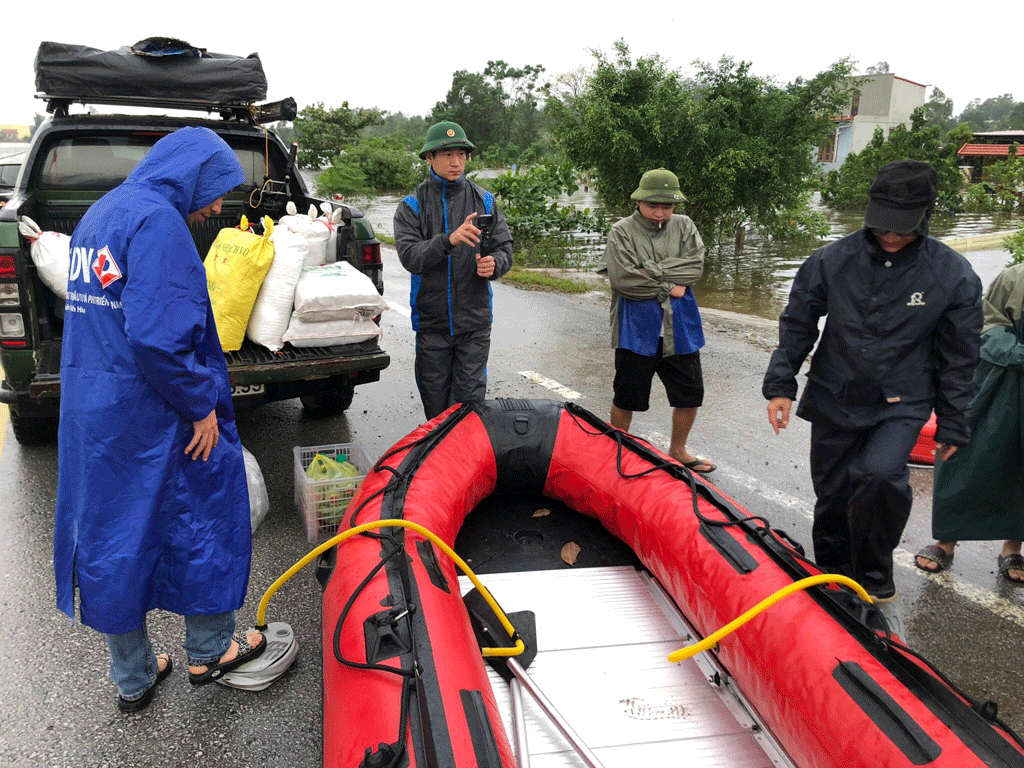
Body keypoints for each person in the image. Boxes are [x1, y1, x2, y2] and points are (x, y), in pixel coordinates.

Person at [54, 127, 265, 713]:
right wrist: (199, 405)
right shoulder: (159, 222)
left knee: (113, 533)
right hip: (155, 407)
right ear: (189, 173)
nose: (219, 205)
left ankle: (134, 675)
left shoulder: (102, 212)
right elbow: (160, 338)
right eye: (216, 189)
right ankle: (211, 648)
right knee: (208, 512)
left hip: (96, 407)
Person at [763, 160, 983, 601]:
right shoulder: (831, 260)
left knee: (880, 476)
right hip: (835, 390)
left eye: (902, 228)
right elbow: (798, 323)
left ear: (926, 215)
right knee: (833, 491)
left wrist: (955, 420)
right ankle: (831, 570)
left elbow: (960, 356)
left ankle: (873, 572)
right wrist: (781, 384)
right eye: (883, 225)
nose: (891, 235)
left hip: (902, 399)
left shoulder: (953, 275)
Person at [393, 121, 513, 420]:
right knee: (435, 410)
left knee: (470, 408)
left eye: (461, 154)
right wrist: (448, 240)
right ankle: (437, 463)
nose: (456, 161)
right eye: (447, 154)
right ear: (429, 158)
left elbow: (505, 248)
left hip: (474, 325)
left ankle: (466, 465)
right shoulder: (412, 206)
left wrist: (494, 263)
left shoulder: (484, 201)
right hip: (432, 325)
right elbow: (411, 257)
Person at [915, 262, 1024, 584]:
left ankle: (1012, 547)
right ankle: (946, 540)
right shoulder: (1015, 277)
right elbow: (988, 325)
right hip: (1000, 377)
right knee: (967, 451)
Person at [601, 168, 714, 474]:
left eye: (667, 206)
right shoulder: (621, 231)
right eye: (653, 205)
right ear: (639, 201)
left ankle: (678, 450)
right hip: (636, 329)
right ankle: (619, 450)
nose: (660, 212)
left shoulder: (685, 226)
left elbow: (695, 270)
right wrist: (669, 286)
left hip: (681, 327)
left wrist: (649, 270)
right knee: (627, 396)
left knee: (690, 394)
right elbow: (624, 280)